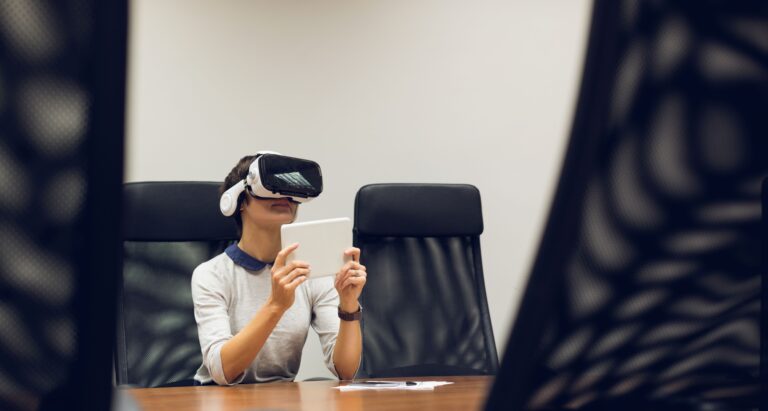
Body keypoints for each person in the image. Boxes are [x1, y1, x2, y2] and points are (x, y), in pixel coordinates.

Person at [191, 153, 366, 385]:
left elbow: (345, 370)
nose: (284, 196)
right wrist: (276, 305)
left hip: (283, 399)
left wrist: (348, 306)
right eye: (272, 187)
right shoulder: (211, 275)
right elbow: (222, 371)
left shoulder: (310, 271)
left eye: (290, 190)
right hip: (219, 399)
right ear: (239, 201)